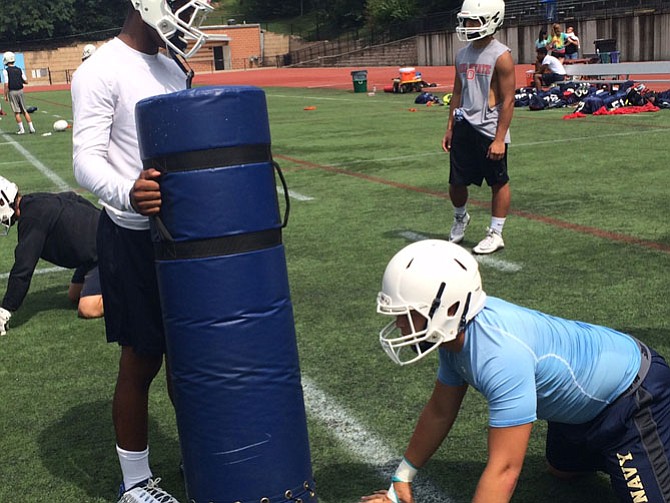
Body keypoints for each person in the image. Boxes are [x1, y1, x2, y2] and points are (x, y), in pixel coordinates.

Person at [361, 239, 670, 503]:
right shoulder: (456, 335)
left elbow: (505, 469)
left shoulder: (500, 354)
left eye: (408, 314)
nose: (401, 325)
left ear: (450, 308)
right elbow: (440, 411)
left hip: (634, 397)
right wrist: (401, 479)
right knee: (561, 469)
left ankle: (643, 445)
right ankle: (621, 454)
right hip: (582, 409)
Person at [71, 0, 213, 502]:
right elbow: (85, 160)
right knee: (141, 360)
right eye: (183, 7)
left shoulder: (172, 64)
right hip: (133, 235)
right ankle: (134, 484)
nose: (189, 20)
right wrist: (128, 192)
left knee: (190, 357)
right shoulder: (101, 69)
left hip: (187, 233)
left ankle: (200, 458)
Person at [442, 0, 515, 255]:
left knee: (498, 181)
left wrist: (500, 138)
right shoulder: (462, 55)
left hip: (489, 129)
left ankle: (496, 232)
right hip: (464, 125)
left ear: (492, 20)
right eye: (467, 20)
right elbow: (457, 91)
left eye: (475, 20)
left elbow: (508, 99)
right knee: (456, 182)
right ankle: (461, 217)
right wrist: (450, 126)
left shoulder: (501, 55)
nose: (469, 26)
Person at [0, 176, 103, 335]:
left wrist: (5, 310)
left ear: (3, 202)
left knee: (88, 308)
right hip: (90, 254)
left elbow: (23, 269)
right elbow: (72, 197)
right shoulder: (32, 201)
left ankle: (128, 288)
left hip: (104, 251)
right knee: (74, 295)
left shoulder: (31, 219)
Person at [2, 51, 35, 135]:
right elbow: (26, 81)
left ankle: (22, 129)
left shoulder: (6, 71)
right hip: (20, 91)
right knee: (24, 111)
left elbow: (6, 84)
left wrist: (5, 95)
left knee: (16, 112)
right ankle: (31, 128)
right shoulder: (19, 69)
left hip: (12, 92)